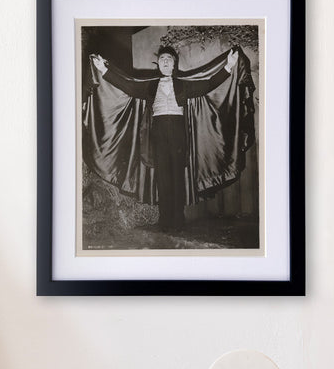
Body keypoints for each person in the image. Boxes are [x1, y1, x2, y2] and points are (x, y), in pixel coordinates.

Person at [90, 45, 240, 231]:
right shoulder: (150, 85)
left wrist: (229, 66)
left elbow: (208, 85)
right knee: (163, 179)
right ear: (158, 64)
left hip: (178, 134)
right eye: (162, 59)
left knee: (177, 178)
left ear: (174, 63)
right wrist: (103, 69)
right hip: (157, 134)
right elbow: (127, 86)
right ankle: (165, 222)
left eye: (169, 58)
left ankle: (178, 222)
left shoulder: (184, 84)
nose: (166, 61)